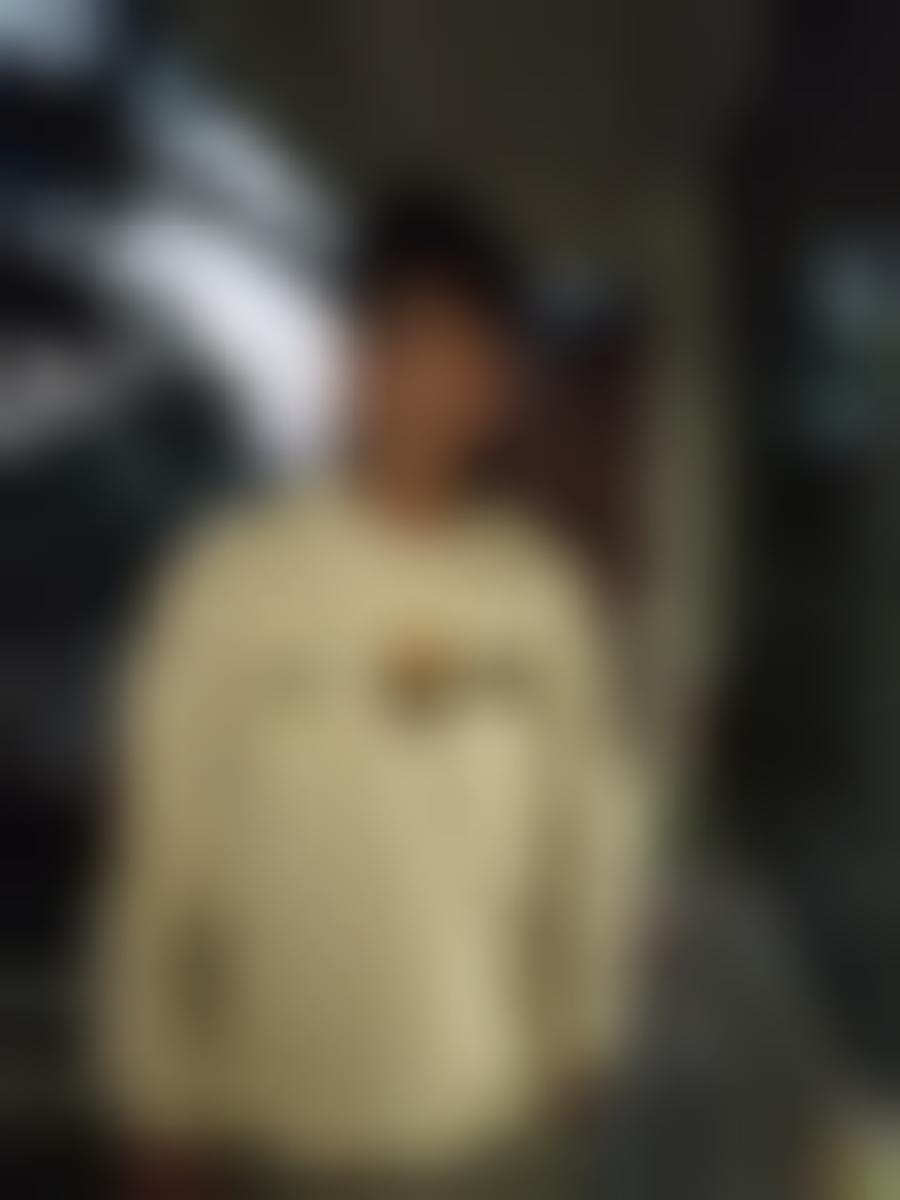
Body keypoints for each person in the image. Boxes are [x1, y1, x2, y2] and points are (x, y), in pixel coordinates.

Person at [96, 187, 651, 1197]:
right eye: (399, 343)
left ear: (498, 385)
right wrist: (159, 1098)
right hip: (280, 1131)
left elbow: (590, 838)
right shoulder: (233, 585)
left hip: (493, 1119)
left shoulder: (540, 599)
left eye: (460, 351)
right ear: (351, 363)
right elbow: (162, 858)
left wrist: (586, 1034)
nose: (425, 384)